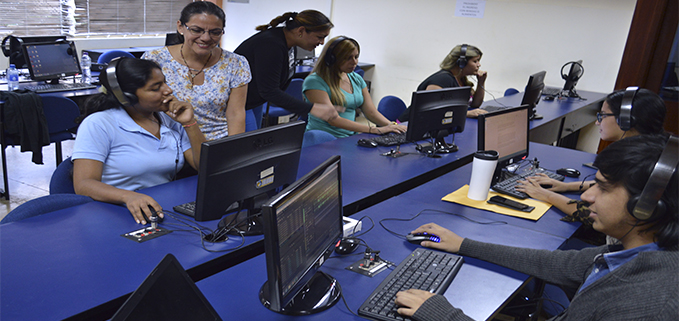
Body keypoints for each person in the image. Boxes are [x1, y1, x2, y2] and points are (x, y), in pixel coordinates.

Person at [395, 134, 678, 320]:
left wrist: (443, 315)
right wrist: (463, 244)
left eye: (602, 189)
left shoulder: (648, 307)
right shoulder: (638, 255)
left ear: (646, 205)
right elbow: (558, 263)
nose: (586, 196)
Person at [72, 58, 206, 224]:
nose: (168, 90)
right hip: (114, 209)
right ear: (126, 97)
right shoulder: (99, 124)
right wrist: (127, 196)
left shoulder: (169, 119)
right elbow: (83, 184)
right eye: (155, 88)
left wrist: (189, 123)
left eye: (164, 82)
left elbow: (204, 166)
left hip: (159, 206)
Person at [516, 88, 667, 218]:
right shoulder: (656, 151)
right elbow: (612, 185)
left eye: (602, 115)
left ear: (625, 121)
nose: (597, 122)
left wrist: (545, 195)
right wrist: (565, 186)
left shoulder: (636, 163)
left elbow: (589, 214)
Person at [143, 1, 250, 140]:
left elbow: (236, 114)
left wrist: (234, 152)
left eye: (215, 32)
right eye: (196, 30)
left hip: (217, 142)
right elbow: (143, 109)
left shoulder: (235, 63)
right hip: (171, 141)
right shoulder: (155, 60)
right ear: (180, 27)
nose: (205, 38)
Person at [234, 10, 342, 128]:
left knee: (253, 141)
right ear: (300, 31)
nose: (321, 42)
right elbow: (269, 91)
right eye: (319, 37)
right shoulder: (271, 45)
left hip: (253, 101)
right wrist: (312, 109)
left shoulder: (288, 44)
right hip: (238, 103)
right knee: (247, 144)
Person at [303, 36, 407, 138]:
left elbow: (371, 112)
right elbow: (333, 119)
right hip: (324, 139)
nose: (354, 62)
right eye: (348, 58)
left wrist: (392, 126)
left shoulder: (356, 78)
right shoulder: (315, 82)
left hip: (349, 137)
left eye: (356, 57)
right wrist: (374, 130)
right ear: (332, 59)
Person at [398, 44, 488, 122]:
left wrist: (481, 82)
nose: (479, 65)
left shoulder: (461, 79)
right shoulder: (442, 79)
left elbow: (475, 104)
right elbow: (431, 110)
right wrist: (466, 113)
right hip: (407, 126)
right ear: (461, 63)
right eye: (475, 61)